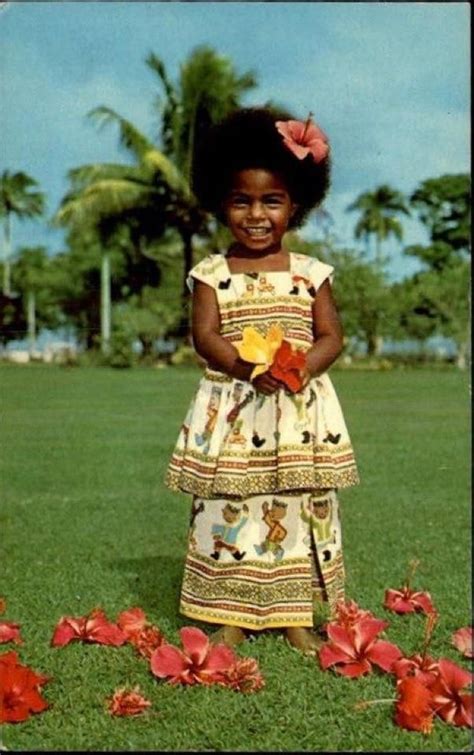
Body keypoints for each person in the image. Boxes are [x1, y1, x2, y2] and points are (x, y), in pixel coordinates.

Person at [165, 107, 359, 655]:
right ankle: (230, 615)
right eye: (241, 201)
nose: (256, 214)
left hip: (297, 413)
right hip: (234, 410)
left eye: (270, 201)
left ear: (294, 205)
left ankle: (295, 615)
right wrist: (249, 369)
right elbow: (206, 336)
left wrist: (299, 368)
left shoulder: (310, 273)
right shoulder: (212, 274)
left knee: (296, 506)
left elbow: (331, 336)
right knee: (233, 505)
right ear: (221, 203)